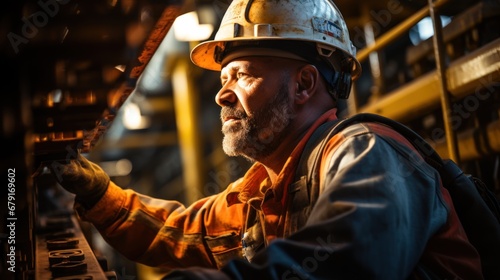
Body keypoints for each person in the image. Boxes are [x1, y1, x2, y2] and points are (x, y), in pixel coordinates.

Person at [49, 0, 484, 279]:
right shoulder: (263, 191)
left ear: (304, 84)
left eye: (240, 76)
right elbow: (181, 232)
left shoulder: (365, 153)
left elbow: (347, 261)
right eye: (222, 78)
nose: (221, 93)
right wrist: (102, 195)